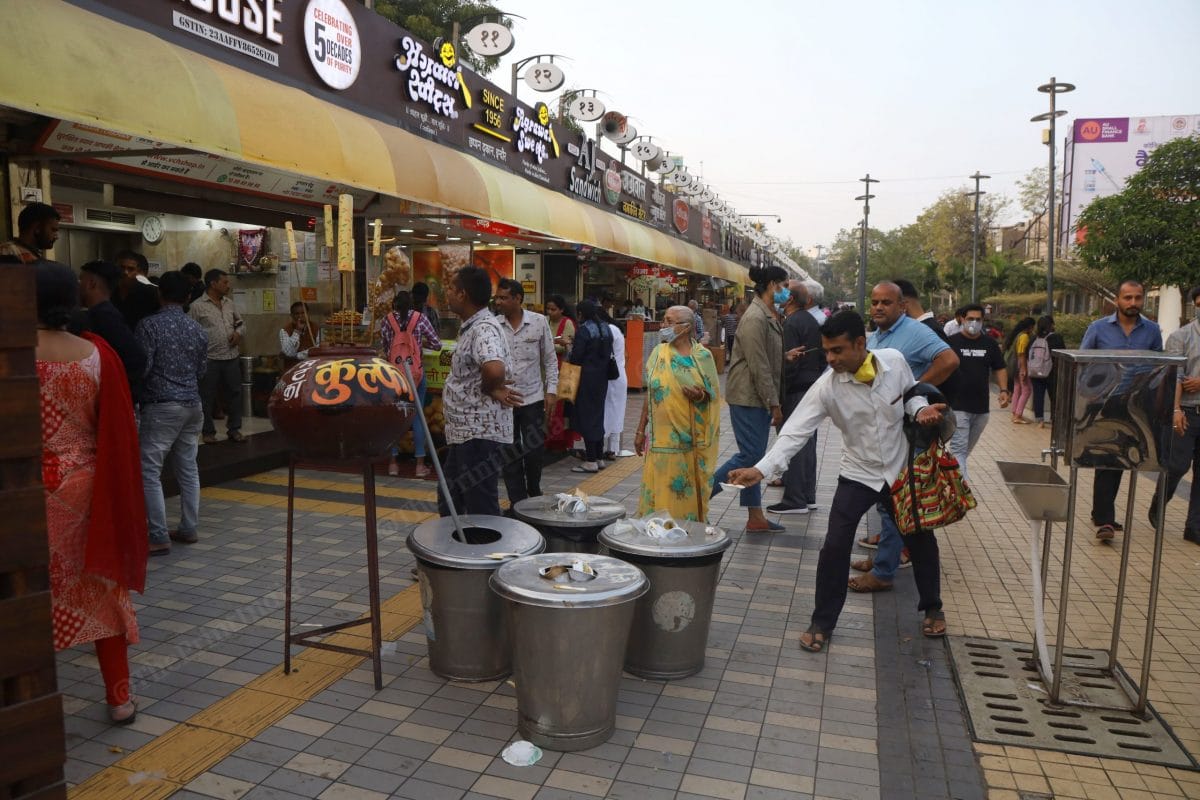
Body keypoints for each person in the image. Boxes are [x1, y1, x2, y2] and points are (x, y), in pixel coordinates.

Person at [727, 311, 949, 650]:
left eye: (837, 351)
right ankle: (822, 622)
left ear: (861, 344)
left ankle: (933, 608)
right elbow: (794, 432)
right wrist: (761, 470)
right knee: (834, 547)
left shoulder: (894, 361)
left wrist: (921, 410)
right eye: (826, 351)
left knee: (920, 540)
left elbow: (910, 394)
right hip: (857, 474)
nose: (830, 359)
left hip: (899, 469)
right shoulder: (827, 387)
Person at [35, 260, 147, 724]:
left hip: (26, 491)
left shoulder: (11, 353)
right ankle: (119, 698)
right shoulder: (97, 353)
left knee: (27, 596)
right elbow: (115, 430)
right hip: (88, 489)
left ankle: (31, 706)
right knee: (101, 587)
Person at [852, 281, 958, 592]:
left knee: (894, 499)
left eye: (886, 303)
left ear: (902, 306)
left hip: (910, 429)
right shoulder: (882, 333)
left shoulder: (915, 330)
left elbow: (949, 360)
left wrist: (914, 389)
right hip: (887, 429)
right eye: (874, 302)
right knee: (888, 497)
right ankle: (884, 557)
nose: (878, 308)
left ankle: (884, 570)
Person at [1081, 280, 1162, 542]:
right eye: (1127, 298)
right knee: (1107, 457)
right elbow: (1083, 362)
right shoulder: (1098, 328)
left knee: (1123, 458)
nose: (1133, 303)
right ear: (1117, 300)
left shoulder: (1151, 330)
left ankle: (1100, 513)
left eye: (1138, 298)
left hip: (1136, 404)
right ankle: (1104, 519)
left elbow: (1159, 366)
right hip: (1104, 402)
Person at [711, 264, 789, 533]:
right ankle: (696, 499)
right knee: (749, 455)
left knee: (754, 460)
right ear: (771, 285)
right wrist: (774, 403)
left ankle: (755, 517)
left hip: (755, 396)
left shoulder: (768, 314)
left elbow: (766, 357)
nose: (786, 291)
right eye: (784, 285)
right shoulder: (756, 317)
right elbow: (759, 365)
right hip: (749, 396)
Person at [136, 271, 209, 555]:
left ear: (159, 293)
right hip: (193, 404)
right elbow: (202, 370)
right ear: (188, 297)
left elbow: (143, 367)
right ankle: (189, 528)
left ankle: (157, 534)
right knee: (188, 468)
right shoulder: (197, 329)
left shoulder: (148, 326)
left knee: (149, 470)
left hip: (161, 406)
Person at [440, 266, 520, 517]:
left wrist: (492, 388)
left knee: (479, 507)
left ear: (463, 294)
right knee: (452, 501)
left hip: (479, 437)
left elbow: (494, 369)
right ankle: (458, 550)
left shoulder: (483, 328)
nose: (447, 294)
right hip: (465, 433)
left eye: (451, 289)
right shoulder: (473, 326)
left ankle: (486, 552)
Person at [634, 305, 721, 520]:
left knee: (683, 494)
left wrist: (699, 396)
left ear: (686, 327)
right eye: (663, 320)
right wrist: (639, 429)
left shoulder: (702, 357)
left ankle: (684, 535)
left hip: (688, 442)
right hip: (659, 442)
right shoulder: (658, 353)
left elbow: (713, 396)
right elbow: (651, 393)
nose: (663, 326)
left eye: (669, 321)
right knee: (658, 491)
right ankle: (656, 534)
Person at [494, 279, 557, 502]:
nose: (498, 301)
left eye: (503, 297)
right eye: (497, 297)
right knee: (509, 453)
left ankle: (534, 492)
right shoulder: (494, 325)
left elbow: (550, 359)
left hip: (533, 397)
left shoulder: (539, 322)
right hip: (505, 400)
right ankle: (517, 502)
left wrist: (552, 391)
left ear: (518, 299)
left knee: (533, 450)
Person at [768, 280, 825, 515]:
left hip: (796, 390)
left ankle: (795, 499)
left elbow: (789, 365)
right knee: (806, 442)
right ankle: (807, 495)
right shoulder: (810, 320)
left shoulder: (791, 323)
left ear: (790, 299)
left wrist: (777, 399)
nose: (777, 293)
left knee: (794, 442)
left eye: (782, 290)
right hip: (810, 387)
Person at [1152, 285, 1200, 545]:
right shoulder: (1181, 337)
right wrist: (1176, 410)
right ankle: (1160, 500)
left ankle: (1194, 527)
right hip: (1187, 412)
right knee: (1178, 465)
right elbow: (1174, 377)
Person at [942, 304, 1009, 483]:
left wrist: (1003, 390)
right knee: (959, 449)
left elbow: (1000, 368)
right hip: (957, 406)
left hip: (981, 409)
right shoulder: (951, 342)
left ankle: (945, 475)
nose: (974, 322)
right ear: (962, 319)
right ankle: (960, 492)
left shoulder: (989, 344)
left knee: (964, 451)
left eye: (978, 319)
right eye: (970, 319)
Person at [381, 290, 442, 477]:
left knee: (394, 417)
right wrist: (420, 343)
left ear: (394, 305)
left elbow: (385, 347)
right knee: (417, 417)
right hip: (415, 374)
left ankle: (392, 464)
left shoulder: (387, 320)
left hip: (394, 375)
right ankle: (420, 466)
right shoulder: (420, 318)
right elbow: (437, 344)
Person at [189, 268, 246, 443]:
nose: (228, 285)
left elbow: (241, 323)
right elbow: (190, 331)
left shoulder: (229, 303)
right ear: (213, 284)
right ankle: (208, 432)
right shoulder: (197, 306)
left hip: (231, 357)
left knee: (235, 394)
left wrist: (238, 333)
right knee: (207, 396)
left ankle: (234, 429)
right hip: (209, 359)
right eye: (225, 282)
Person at [78, 260, 147, 401]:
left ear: (92, 283)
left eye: (81, 280)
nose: (78, 285)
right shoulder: (99, 313)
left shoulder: (105, 316)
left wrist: (113, 389)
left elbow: (136, 357)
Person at [567, 299, 613, 473]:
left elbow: (577, 357)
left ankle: (591, 460)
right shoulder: (606, 328)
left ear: (580, 313)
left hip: (585, 379)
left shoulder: (585, 330)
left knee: (586, 417)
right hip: (602, 379)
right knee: (598, 416)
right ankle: (599, 457)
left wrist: (570, 347)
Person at [544, 295, 578, 451]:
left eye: (554, 309)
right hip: (546, 369)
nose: (550, 312)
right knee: (547, 404)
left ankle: (560, 440)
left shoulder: (568, 323)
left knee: (561, 405)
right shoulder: (545, 321)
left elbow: (569, 346)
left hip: (565, 369)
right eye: (548, 309)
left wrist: (550, 344)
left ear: (562, 309)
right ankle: (547, 438)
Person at [599, 306, 629, 459]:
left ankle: (604, 449)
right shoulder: (615, 328)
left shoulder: (607, 329)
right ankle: (613, 449)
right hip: (619, 375)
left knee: (608, 412)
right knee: (616, 412)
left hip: (611, 377)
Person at [1028, 315, 1065, 428]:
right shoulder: (1056, 338)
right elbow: (1063, 353)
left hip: (1035, 372)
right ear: (1052, 325)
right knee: (1054, 396)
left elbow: (1027, 354)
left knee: (1038, 396)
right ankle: (1054, 419)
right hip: (1052, 372)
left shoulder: (1034, 338)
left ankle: (1040, 421)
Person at [113, 250, 160, 330]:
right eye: (122, 268)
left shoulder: (150, 292)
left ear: (137, 271)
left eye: (130, 269)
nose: (125, 272)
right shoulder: (108, 291)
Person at [1005, 316, 1036, 424]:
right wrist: (1024, 369)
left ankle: (1014, 413)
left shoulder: (1018, 335)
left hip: (1014, 365)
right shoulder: (1024, 337)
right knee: (1027, 390)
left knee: (1017, 388)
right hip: (1021, 364)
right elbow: (1021, 353)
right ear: (1030, 327)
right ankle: (1018, 415)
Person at [280, 301, 319, 368]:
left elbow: (318, 350)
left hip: (310, 368)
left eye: (303, 313)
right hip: (292, 370)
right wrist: (297, 331)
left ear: (308, 314)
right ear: (292, 315)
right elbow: (289, 353)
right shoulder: (284, 330)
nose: (300, 316)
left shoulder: (316, 328)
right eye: (297, 314)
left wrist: (297, 356)